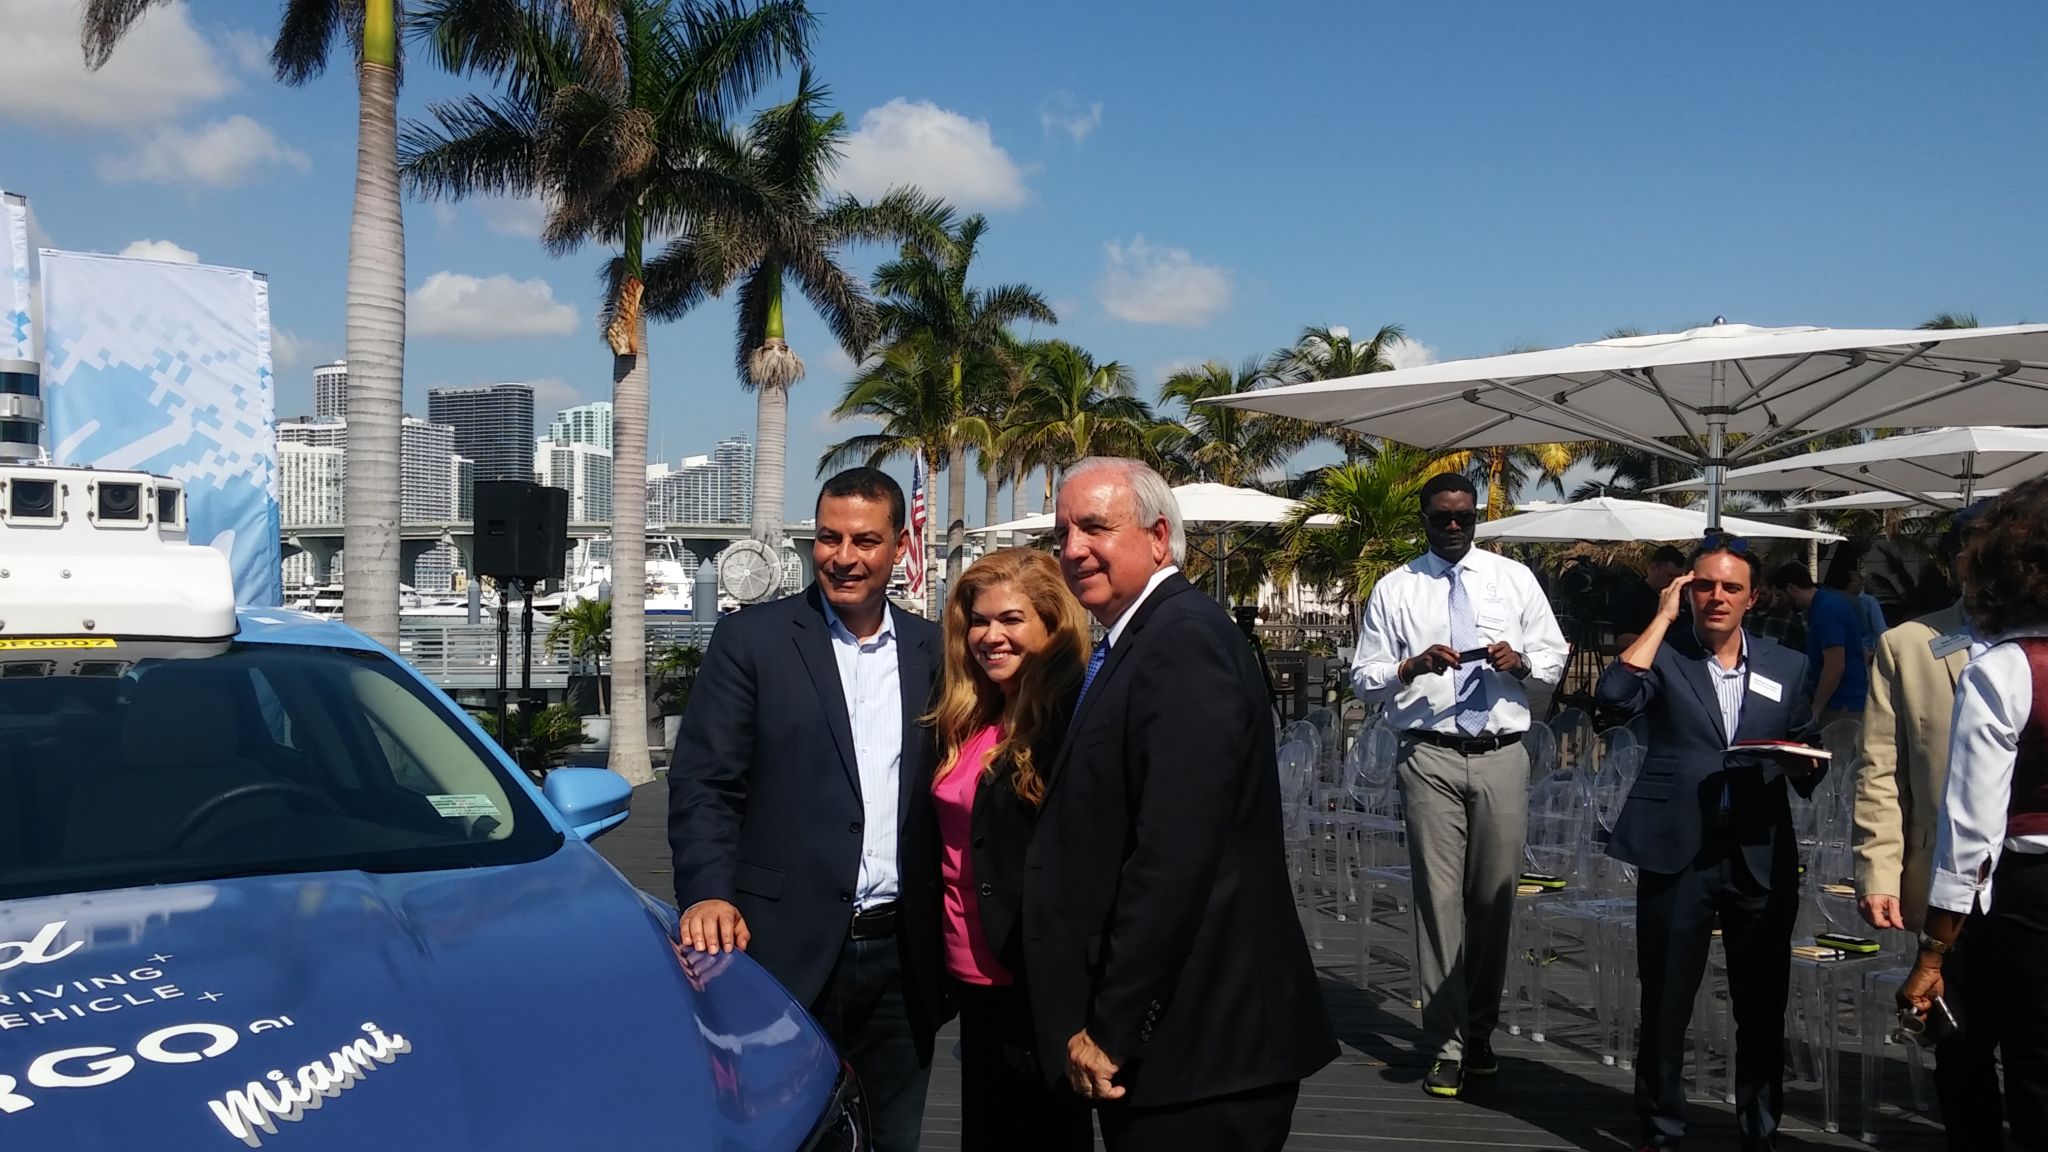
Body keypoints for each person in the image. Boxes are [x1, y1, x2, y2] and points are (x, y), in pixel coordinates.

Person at [1025, 456, 1335, 1151]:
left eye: (1095, 527)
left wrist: (1113, 1025)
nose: (1073, 549)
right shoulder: (1141, 638)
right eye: (1063, 532)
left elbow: (1173, 855)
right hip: (1184, 1046)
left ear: (1159, 537)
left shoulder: (1181, 642)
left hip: (1201, 1047)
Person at [667, 467, 943, 1152]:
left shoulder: (935, 651)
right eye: (828, 538)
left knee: (893, 1137)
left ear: (899, 547)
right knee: (782, 1133)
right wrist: (706, 892)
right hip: (781, 947)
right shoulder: (752, 641)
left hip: (904, 957)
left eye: (865, 541)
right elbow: (705, 782)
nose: (843, 557)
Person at [1599, 534, 1824, 1152]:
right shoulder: (1666, 654)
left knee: (1762, 1001)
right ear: (1687, 591)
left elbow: (1806, 739)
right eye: (1704, 585)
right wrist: (1661, 617)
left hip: (1758, 850)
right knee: (1667, 998)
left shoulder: (1786, 664)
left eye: (1730, 587)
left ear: (1753, 598)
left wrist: (1804, 761)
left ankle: (1760, 1126)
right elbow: (1614, 697)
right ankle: (1663, 1127)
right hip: (1679, 848)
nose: (1716, 596)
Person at [1350, 472, 1568, 1099]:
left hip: (1501, 754)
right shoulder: (1397, 587)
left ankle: (1479, 1032)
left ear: (1476, 517)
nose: (1453, 526)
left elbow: (1554, 656)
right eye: (1442, 516)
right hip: (1429, 755)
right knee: (1438, 902)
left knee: (1493, 900)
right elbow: (1363, 676)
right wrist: (1410, 666)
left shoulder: (1513, 579)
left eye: (1464, 517)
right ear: (1423, 518)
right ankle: (1446, 1045)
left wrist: (1521, 663)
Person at [928, 548, 1094, 1151]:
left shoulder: (1069, 721)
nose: (990, 636)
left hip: (1034, 975)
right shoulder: (970, 714)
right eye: (979, 621)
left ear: (1053, 625)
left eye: (1011, 619)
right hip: (969, 971)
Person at [1900, 477, 2048, 1150]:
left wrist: (1932, 952)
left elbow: (1973, 833)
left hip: (2023, 894)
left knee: (2019, 1062)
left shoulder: (2005, 670)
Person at [1853, 503, 1998, 1150]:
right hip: (1945, 883)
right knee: (1959, 1046)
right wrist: (1878, 870)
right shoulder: (1908, 645)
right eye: (1973, 551)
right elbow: (1881, 772)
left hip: (2032, 879)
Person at [1770, 562, 1869, 728]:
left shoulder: (1826, 609)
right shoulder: (1825, 605)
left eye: (1780, 596)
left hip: (1840, 704)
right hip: (1844, 700)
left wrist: (1816, 708)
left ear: (1791, 588)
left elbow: (1835, 665)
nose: (1780, 602)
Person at [1614, 545, 1690, 650]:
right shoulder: (1630, 595)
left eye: (1679, 577)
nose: (1674, 582)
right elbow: (1622, 639)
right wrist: (1662, 643)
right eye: (1670, 575)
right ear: (1653, 567)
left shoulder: (1684, 596)